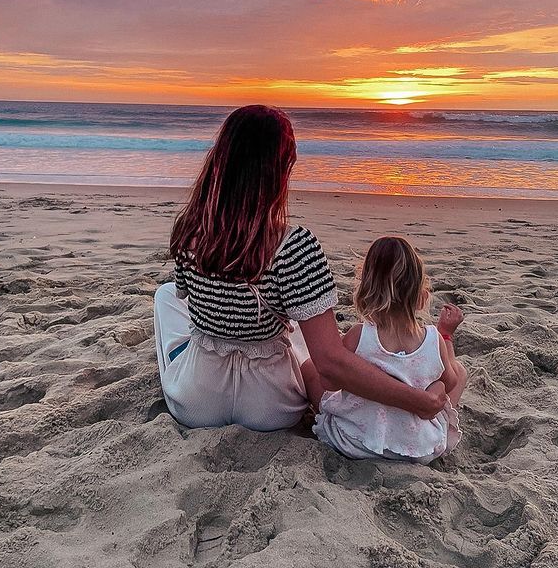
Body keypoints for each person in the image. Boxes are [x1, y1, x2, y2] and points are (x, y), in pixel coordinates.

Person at [153, 105, 447, 431]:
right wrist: (416, 400)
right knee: (300, 334)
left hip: (197, 403)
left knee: (166, 296)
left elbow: (185, 294)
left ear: (221, 158)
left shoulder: (190, 228)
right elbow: (331, 363)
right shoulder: (294, 244)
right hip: (271, 407)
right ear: (282, 168)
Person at [312, 236, 467, 462]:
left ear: (365, 289)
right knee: (457, 372)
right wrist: (445, 336)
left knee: (311, 371)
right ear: (421, 296)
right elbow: (451, 383)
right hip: (418, 449)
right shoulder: (433, 340)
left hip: (356, 442)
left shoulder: (358, 335)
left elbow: (330, 381)